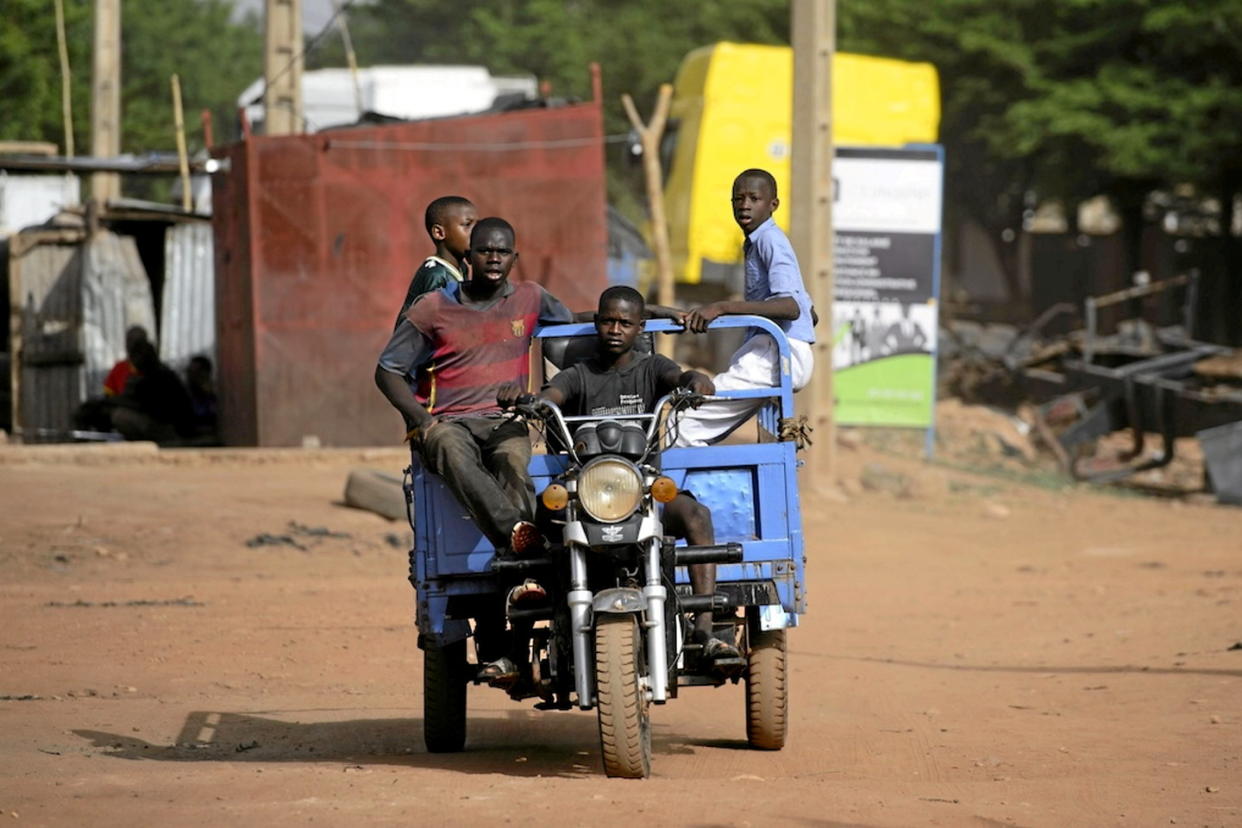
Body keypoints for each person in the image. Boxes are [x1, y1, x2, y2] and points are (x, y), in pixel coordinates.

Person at [501, 285, 742, 665]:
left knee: (697, 515)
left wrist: (695, 383)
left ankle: (705, 629)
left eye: (625, 323)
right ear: (597, 323)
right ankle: (516, 649)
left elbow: (681, 377)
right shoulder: (578, 373)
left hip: (643, 493)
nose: (615, 329)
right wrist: (539, 403)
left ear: (640, 328)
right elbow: (554, 394)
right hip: (585, 498)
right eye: (608, 321)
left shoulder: (652, 368)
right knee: (537, 523)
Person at [375, 216, 575, 557]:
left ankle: (521, 570)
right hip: (449, 422)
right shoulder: (433, 306)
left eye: (502, 251)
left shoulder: (531, 297)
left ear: (515, 258)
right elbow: (387, 370)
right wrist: (421, 419)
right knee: (446, 444)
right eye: (484, 251)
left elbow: (581, 323)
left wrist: (659, 311)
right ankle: (521, 544)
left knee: (513, 462)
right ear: (468, 257)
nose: (494, 258)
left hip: (504, 420)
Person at [671, 168, 816, 447]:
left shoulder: (769, 239)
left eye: (754, 198)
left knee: (681, 427)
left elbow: (791, 307)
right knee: (697, 421)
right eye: (738, 199)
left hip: (777, 354)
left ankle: (683, 489)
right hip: (773, 352)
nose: (745, 205)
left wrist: (722, 308)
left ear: (773, 205)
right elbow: (808, 310)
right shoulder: (757, 241)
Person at [394, 196, 478, 327]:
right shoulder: (436, 275)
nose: (476, 233)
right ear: (439, 232)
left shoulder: (463, 267)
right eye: (467, 225)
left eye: (476, 226)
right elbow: (433, 327)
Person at [110, 340, 195, 444]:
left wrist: (115, 402)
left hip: (173, 430)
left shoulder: (159, 377)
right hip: (172, 426)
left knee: (120, 416)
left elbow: (150, 407)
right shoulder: (156, 374)